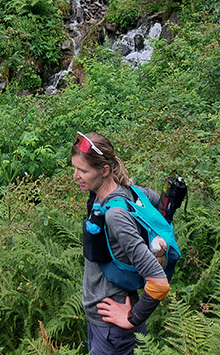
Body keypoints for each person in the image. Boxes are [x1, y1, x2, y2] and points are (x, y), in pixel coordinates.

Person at [71, 132, 170, 355]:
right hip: (103, 323)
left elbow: (159, 283)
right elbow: (159, 206)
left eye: (83, 170)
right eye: (75, 168)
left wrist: (132, 318)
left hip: (113, 331)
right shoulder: (129, 192)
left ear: (105, 170)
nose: (75, 176)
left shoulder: (115, 215)